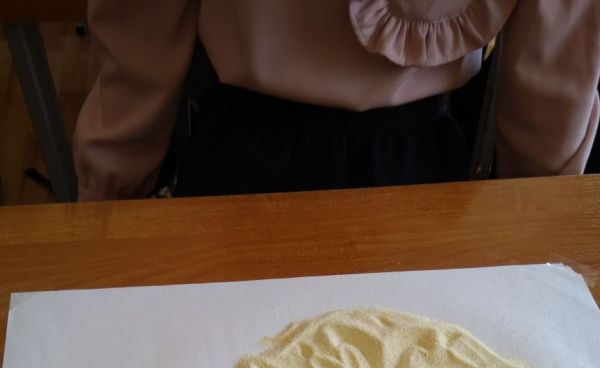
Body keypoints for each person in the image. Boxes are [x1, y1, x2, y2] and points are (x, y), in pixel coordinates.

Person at [74, 0, 600, 202]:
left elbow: (555, 57)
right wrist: (110, 193)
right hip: (239, 160)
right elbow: (139, 30)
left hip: (416, 175)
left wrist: (541, 217)